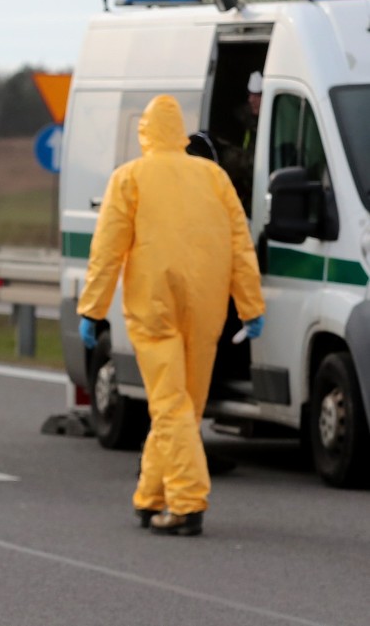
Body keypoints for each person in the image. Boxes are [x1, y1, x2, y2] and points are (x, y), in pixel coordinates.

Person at [77, 95, 266, 536]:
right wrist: (251, 305)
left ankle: (185, 502)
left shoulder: (130, 178)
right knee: (185, 405)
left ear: (145, 132)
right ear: (180, 132)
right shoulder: (214, 176)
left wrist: (92, 309)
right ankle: (151, 495)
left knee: (169, 403)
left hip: (153, 304)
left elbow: (107, 251)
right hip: (207, 305)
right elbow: (241, 245)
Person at [221, 70, 263, 215]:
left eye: (257, 95)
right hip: (245, 179)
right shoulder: (241, 120)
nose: (252, 100)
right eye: (250, 95)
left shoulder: (275, 121)